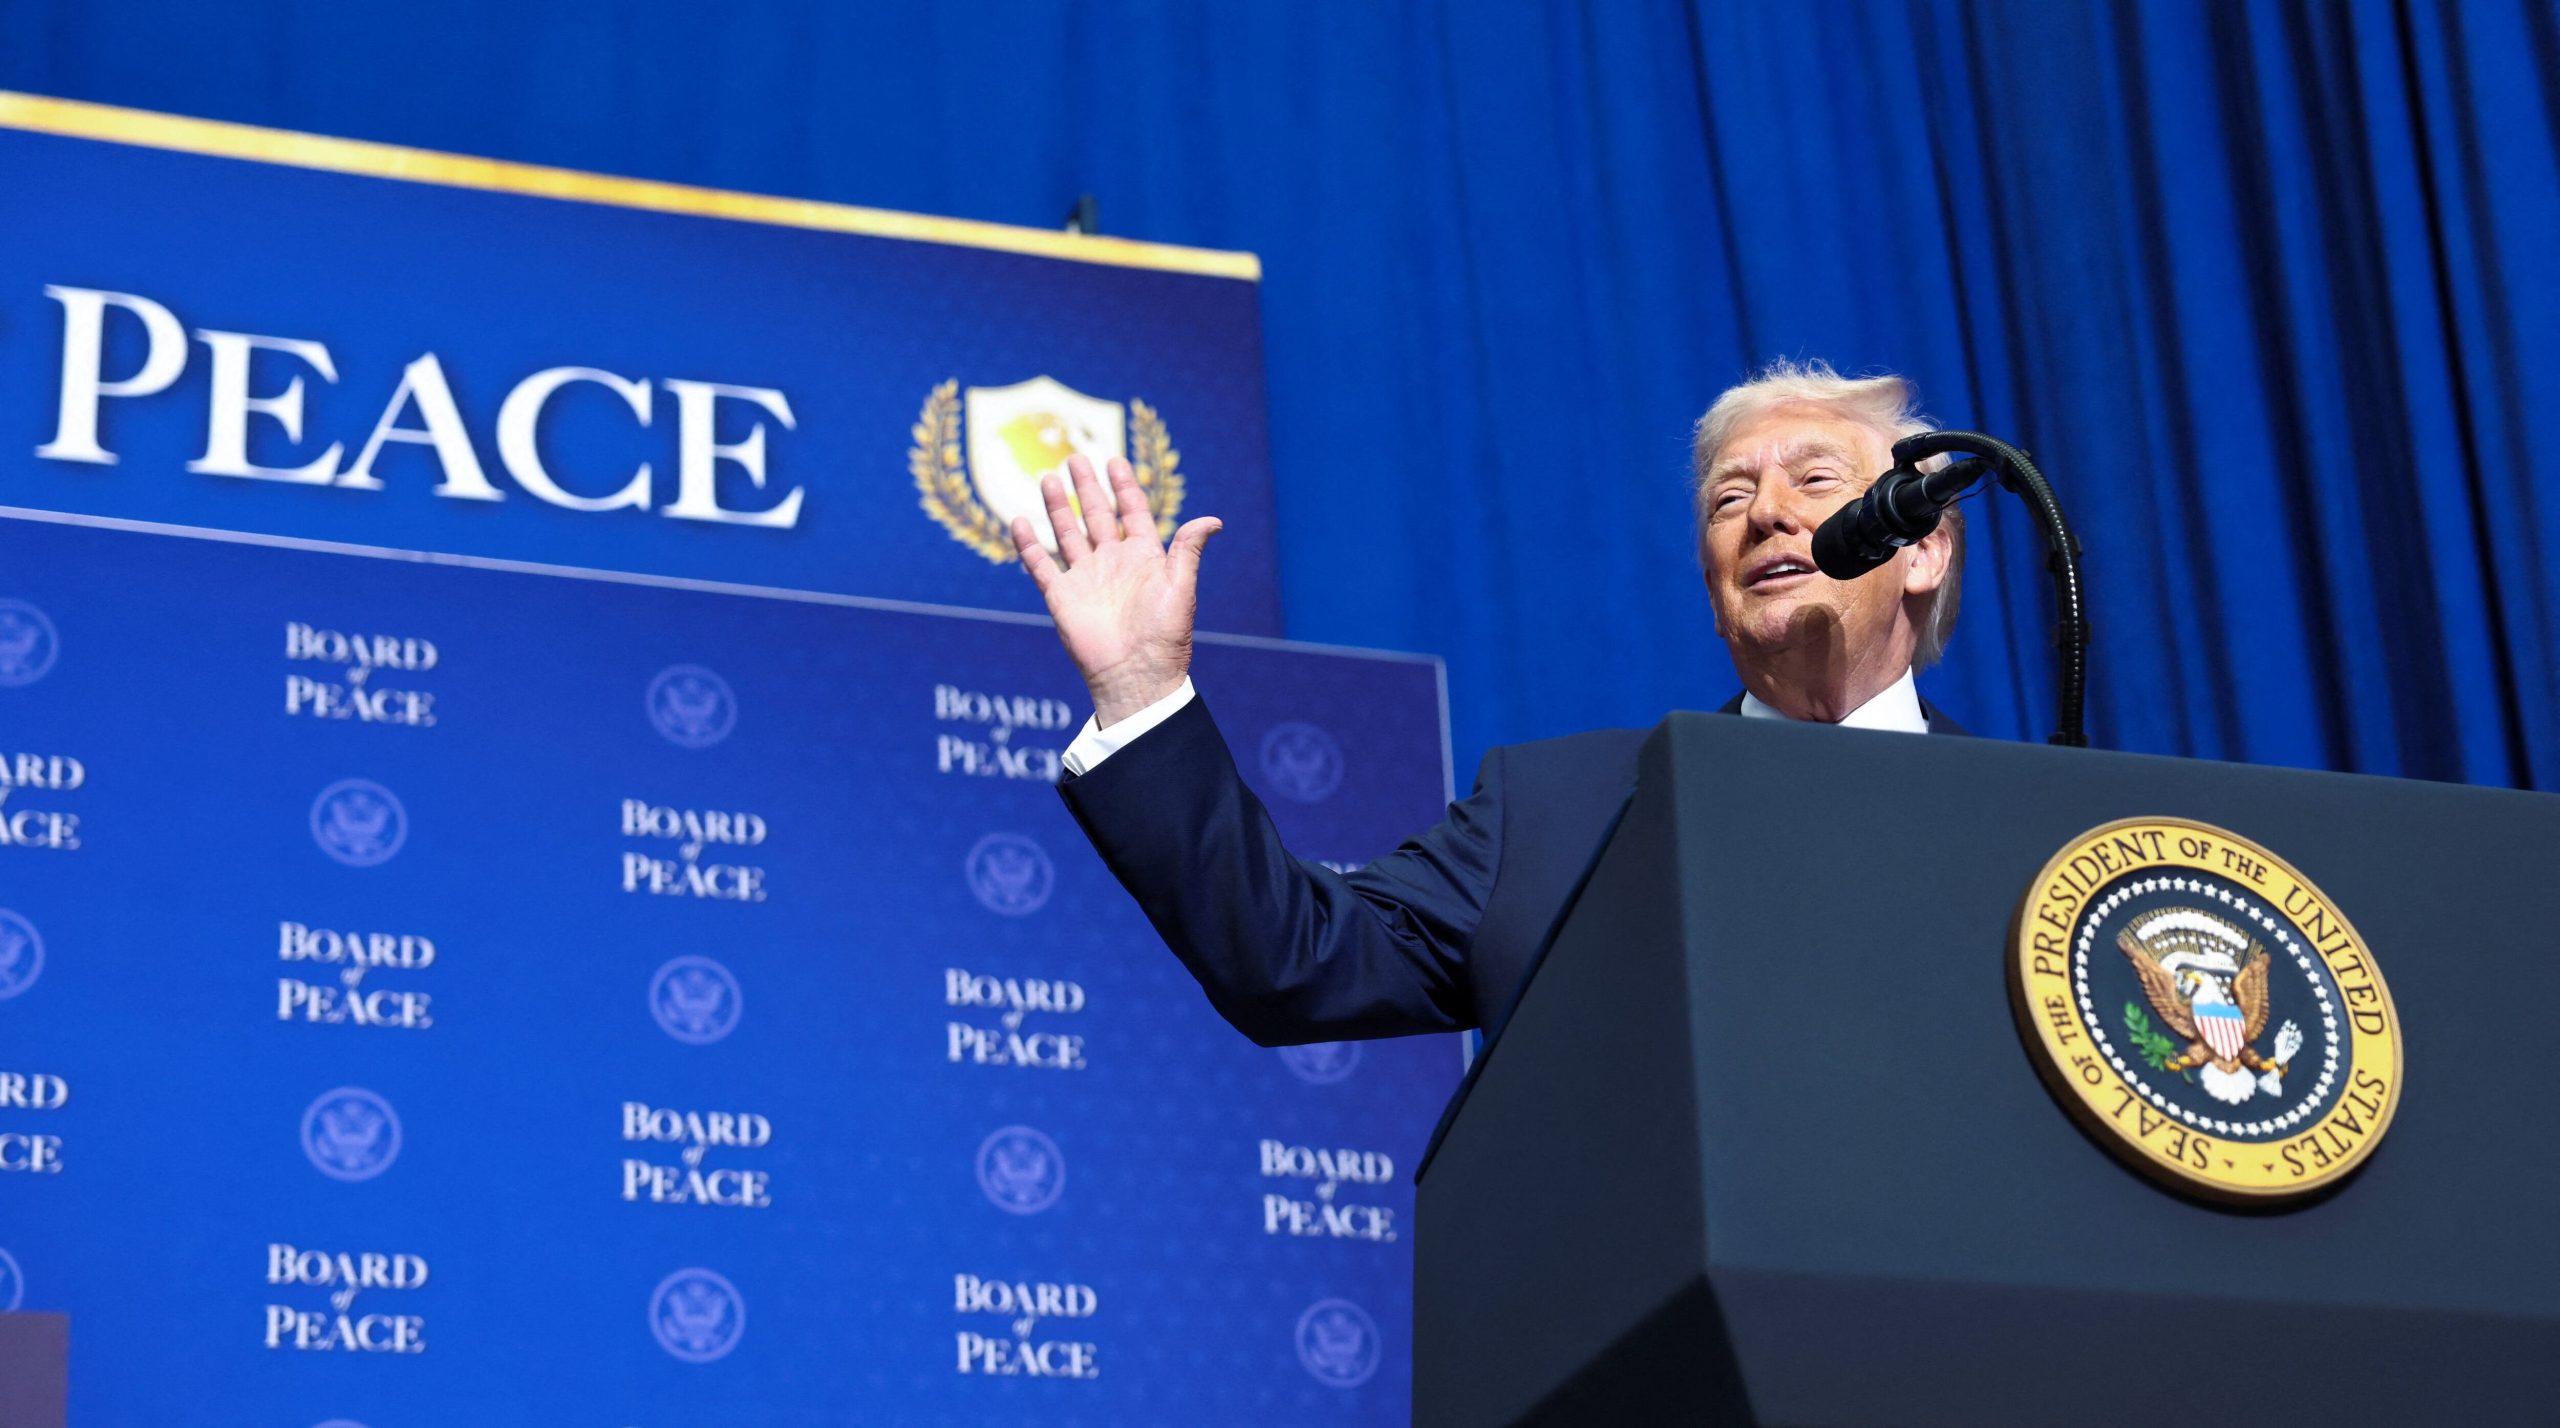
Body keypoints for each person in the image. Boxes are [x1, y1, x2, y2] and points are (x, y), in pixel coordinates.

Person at [1009, 361, 1964, 1047]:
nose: (1765, 514)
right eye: (1728, 501)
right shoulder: (1561, 814)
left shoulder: (2037, 832)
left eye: (1816, 481)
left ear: (1923, 548)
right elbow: (1290, 960)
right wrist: (1141, 688)